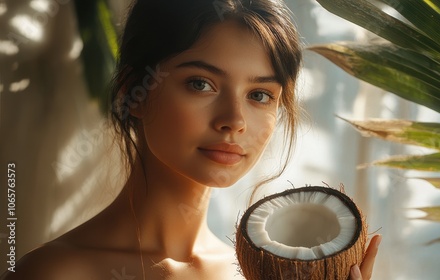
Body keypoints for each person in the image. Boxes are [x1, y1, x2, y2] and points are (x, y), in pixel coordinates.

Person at [1, 0, 380, 279]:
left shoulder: (247, 277)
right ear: (133, 91)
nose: (234, 121)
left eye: (260, 95)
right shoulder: (55, 273)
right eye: (201, 84)